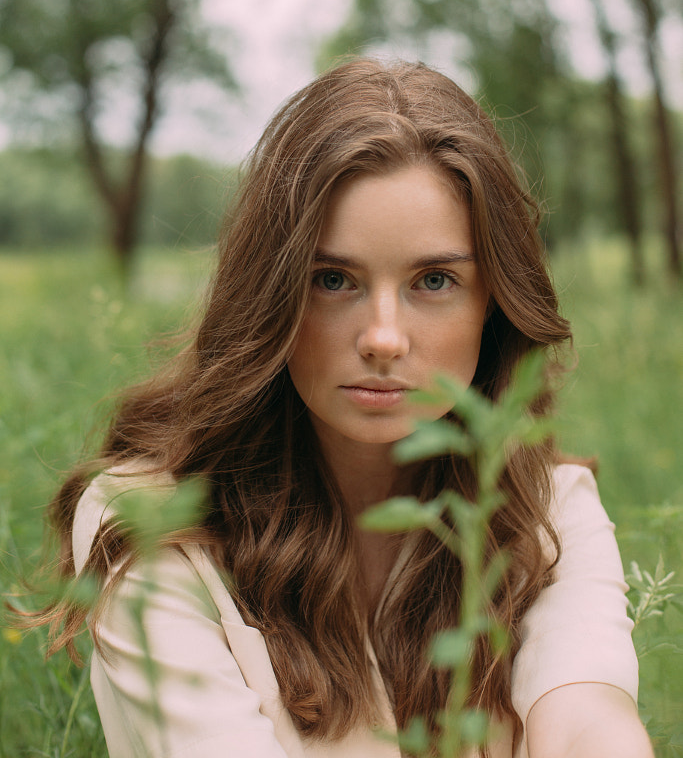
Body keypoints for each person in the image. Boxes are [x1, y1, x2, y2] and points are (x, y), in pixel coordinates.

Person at [37, 58, 652, 758]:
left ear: (494, 304)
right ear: (270, 296)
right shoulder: (152, 525)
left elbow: (587, 724)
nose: (383, 339)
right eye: (332, 280)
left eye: (434, 280)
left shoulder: (545, 514)